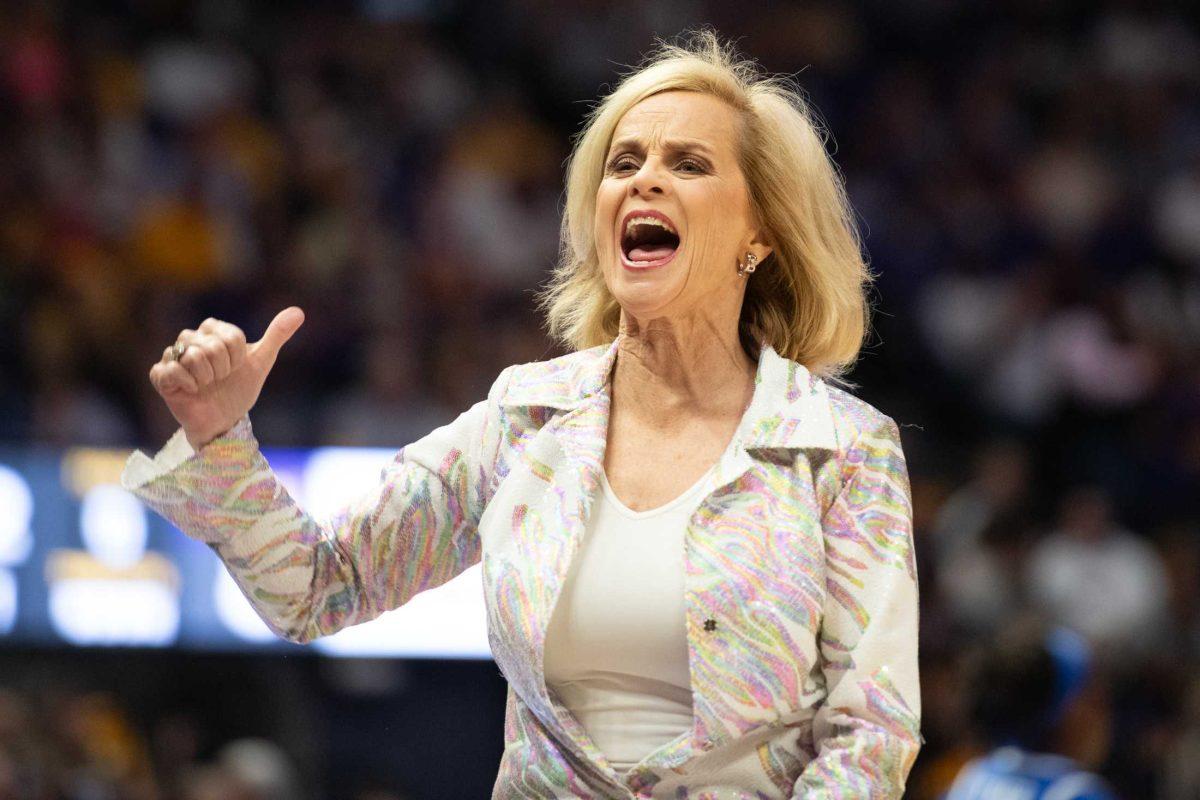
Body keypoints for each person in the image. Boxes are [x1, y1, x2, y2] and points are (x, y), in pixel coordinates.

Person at [121, 31, 920, 798]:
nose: (643, 181)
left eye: (690, 163)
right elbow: (322, 585)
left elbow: (870, 729)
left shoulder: (841, 451)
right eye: (624, 162)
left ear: (761, 234)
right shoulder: (525, 420)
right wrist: (221, 435)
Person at [946, 619, 1116, 800]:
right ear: (1070, 711)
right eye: (1095, 698)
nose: (1105, 715)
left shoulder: (971, 780)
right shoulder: (1077, 793)